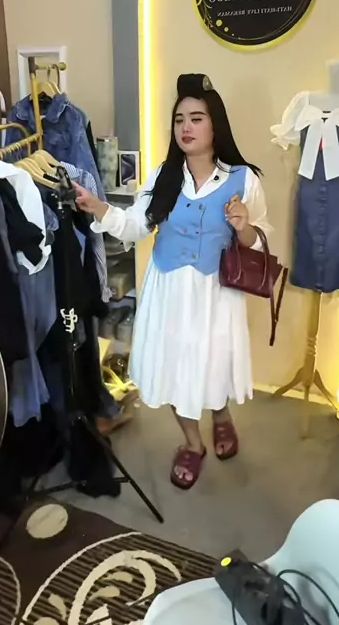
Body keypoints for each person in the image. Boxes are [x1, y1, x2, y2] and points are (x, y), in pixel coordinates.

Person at [74, 74, 272, 489]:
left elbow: (260, 242)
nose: (186, 126)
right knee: (176, 368)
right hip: (168, 292)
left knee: (213, 363)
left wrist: (244, 227)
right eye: (179, 119)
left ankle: (221, 414)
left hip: (216, 294)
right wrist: (99, 208)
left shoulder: (244, 179)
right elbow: (135, 225)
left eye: (196, 118)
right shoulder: (163, 176)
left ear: (215, 125)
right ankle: (192, 443)